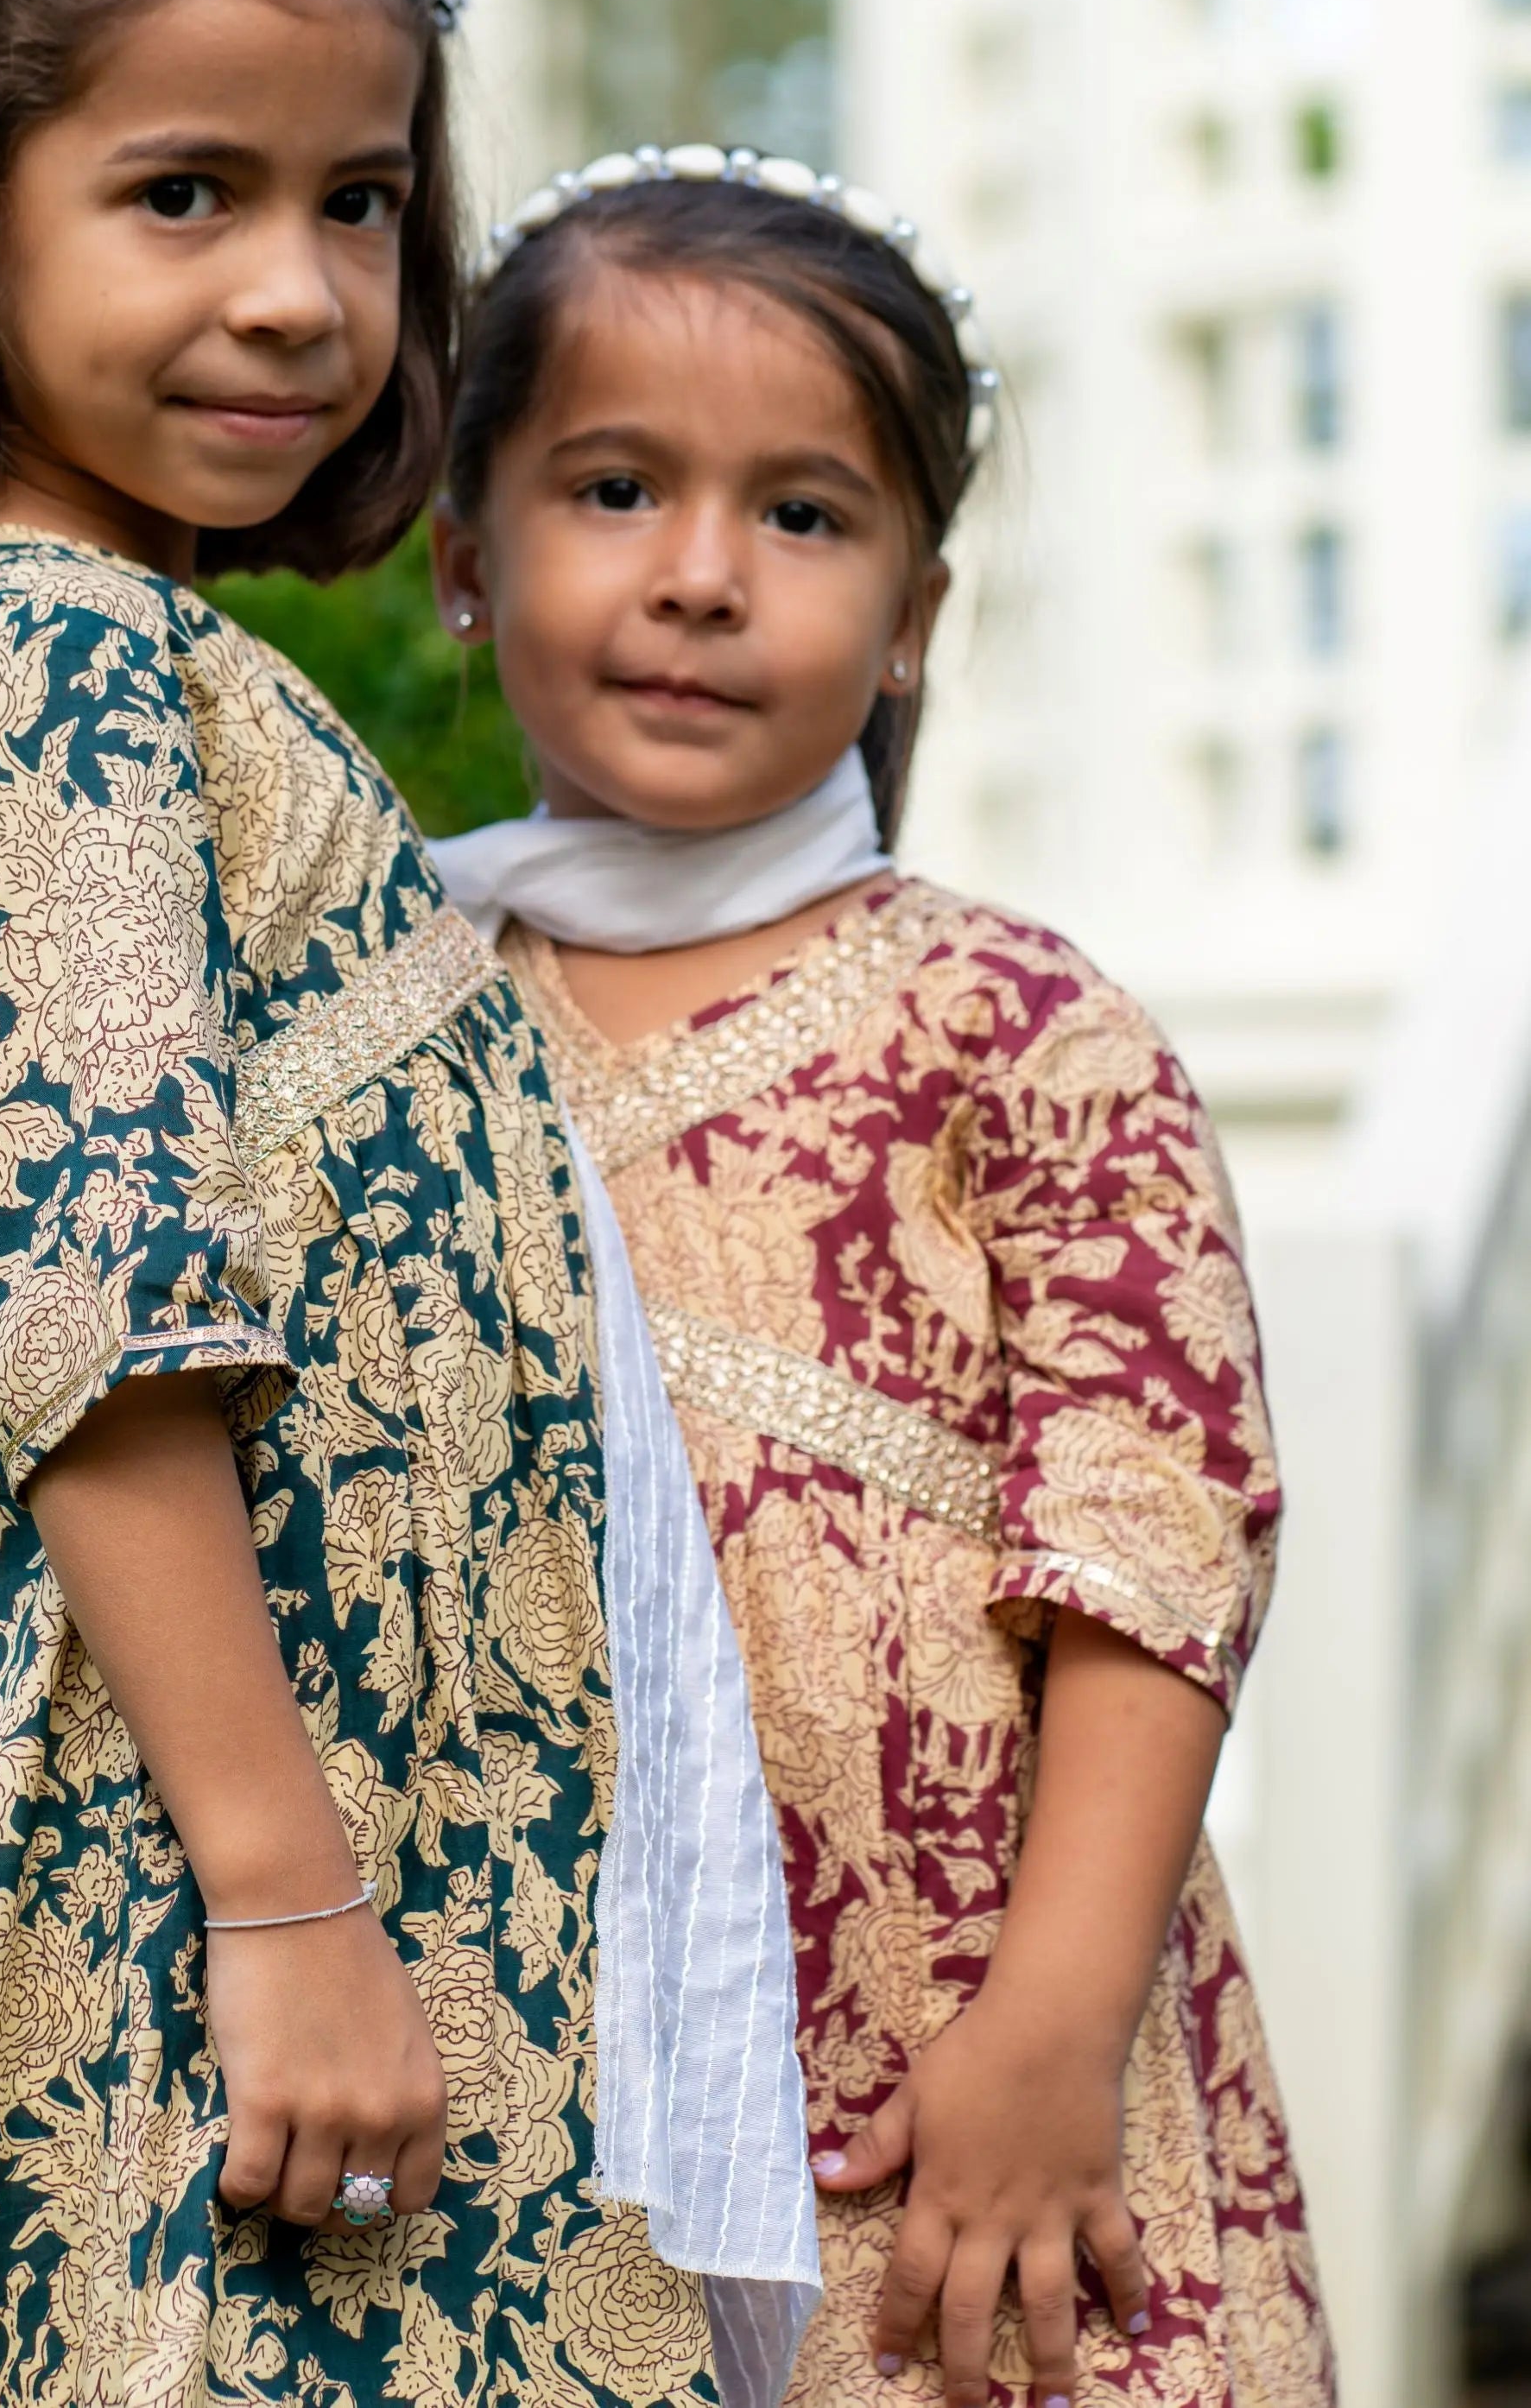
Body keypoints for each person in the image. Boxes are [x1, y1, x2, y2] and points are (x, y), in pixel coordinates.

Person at [0, 0, 819, 2408]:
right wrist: (288, 1905)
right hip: (189, 1924)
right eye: (186, 193)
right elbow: (110, 1319)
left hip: (307, 1872)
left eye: (361, 203)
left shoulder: (140, 664)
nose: (298, 294)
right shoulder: (46, 668)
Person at [427, 148, 1337, 2408]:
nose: (702, 578)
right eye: (614, 487)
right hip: (517, 2069)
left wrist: (1049, 2026)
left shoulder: (1016, 1025)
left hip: (968, 2082)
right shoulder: (382, 1022)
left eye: (805, 515)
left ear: (917, 612)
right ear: (463, 557)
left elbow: (1154, 1533)